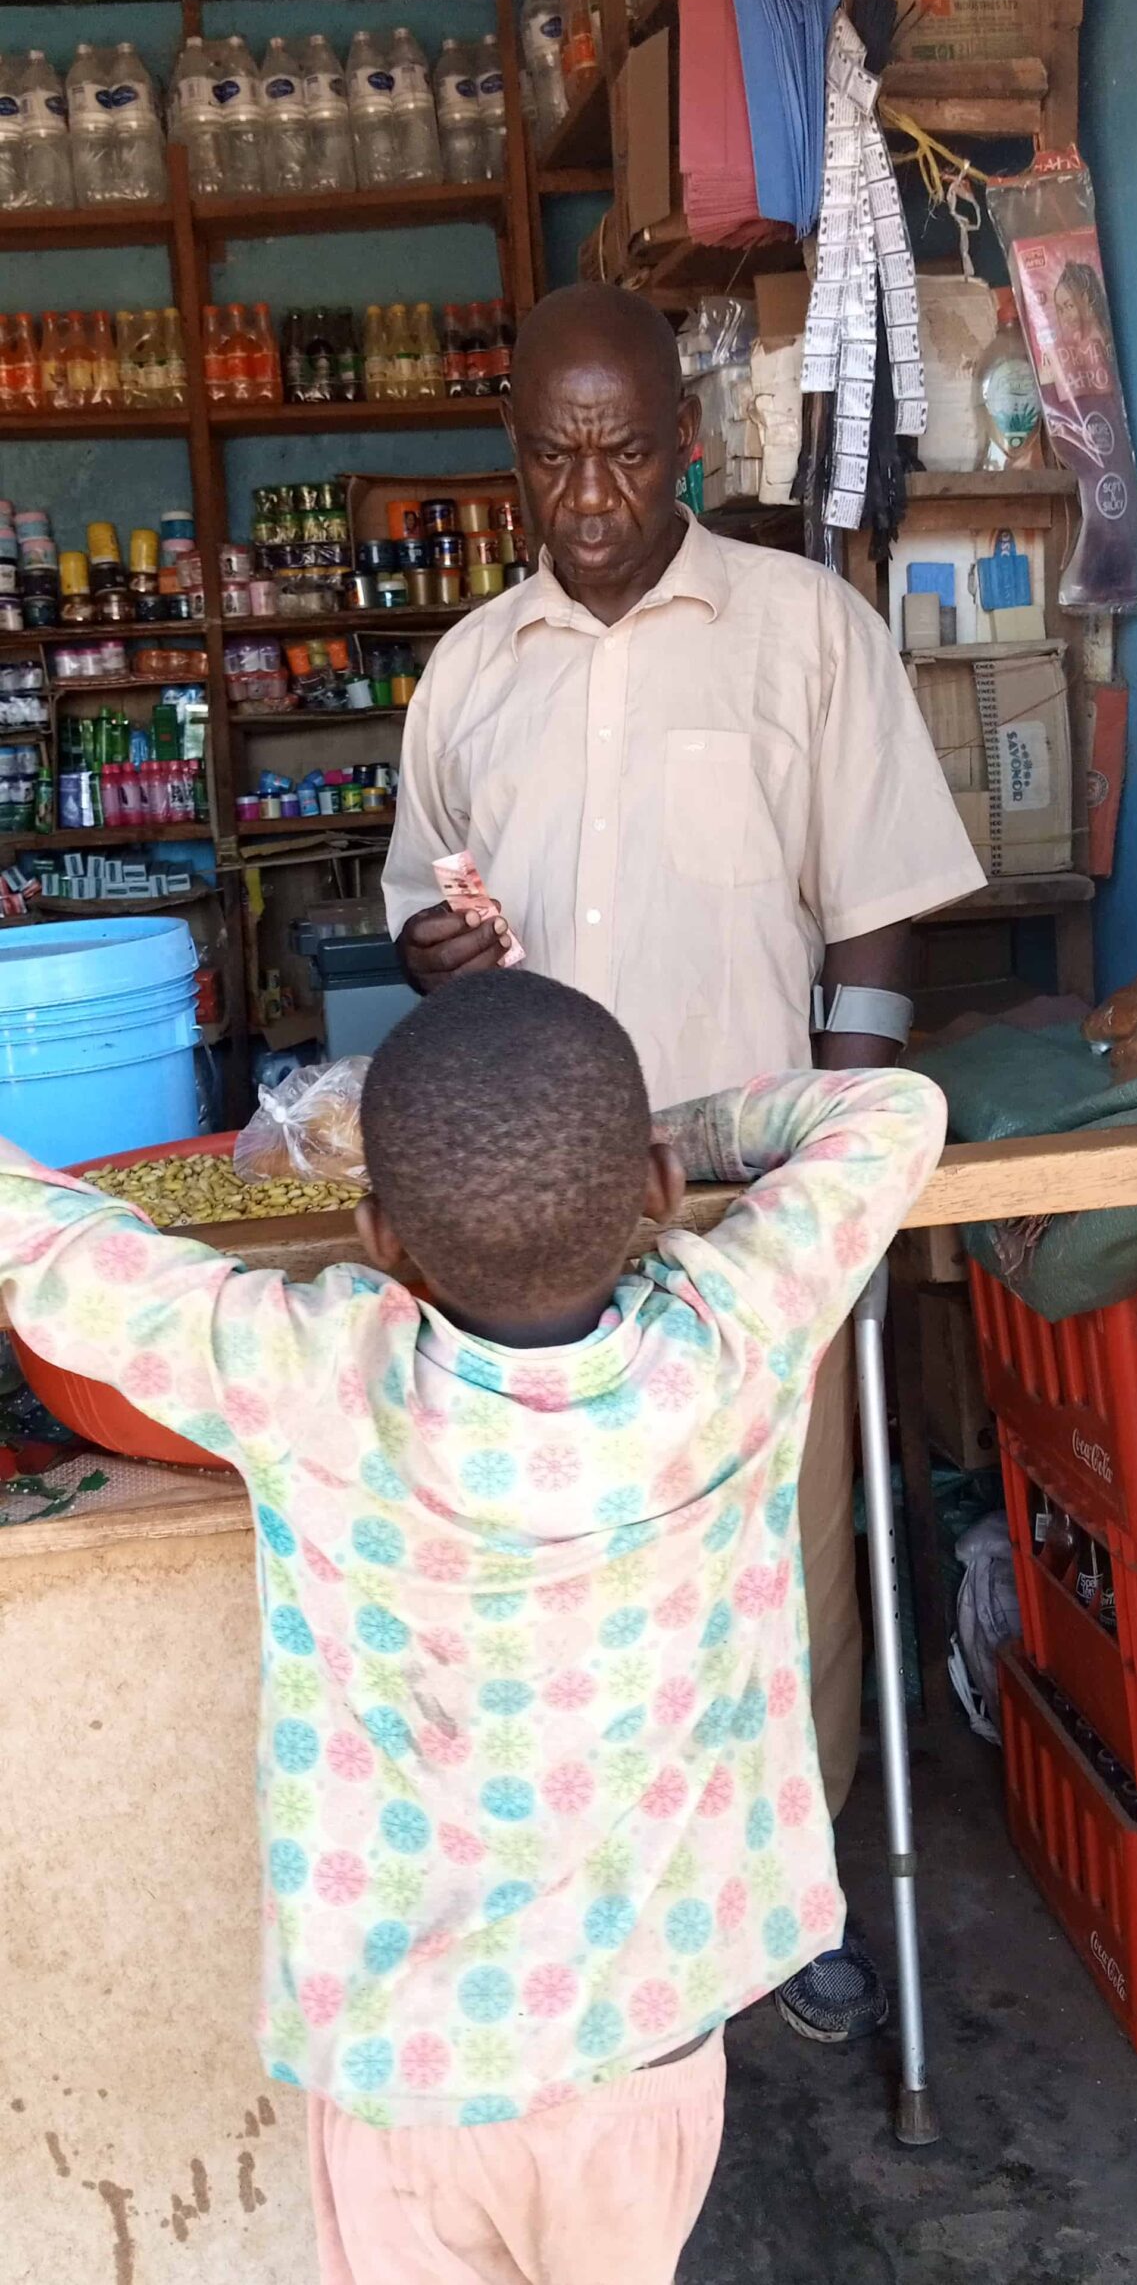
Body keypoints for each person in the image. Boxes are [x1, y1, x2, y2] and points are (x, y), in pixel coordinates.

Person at [0, 972, 946, 2285]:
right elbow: (893, 1107)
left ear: (379, 1234)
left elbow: (46, 1250)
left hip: (414, 2081)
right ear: (659, 1188)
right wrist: (660, 1132)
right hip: (646, 2063)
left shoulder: (314, 1379)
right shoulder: (738, 1334)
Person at [382, 282, 984, 2040]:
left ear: (687, 447)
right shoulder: (467, 676)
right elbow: (427, 912)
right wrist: (439, 957)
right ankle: (607, 1934)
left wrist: (835, 1197)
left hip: (740, 1223)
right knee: (570, 1596)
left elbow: (879, 926)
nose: (591, 494)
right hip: (528, 1226)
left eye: (626, 451)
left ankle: (787, 1915)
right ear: (513, 466)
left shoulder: (805, 629)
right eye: (556, 459)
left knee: (777, 1568)